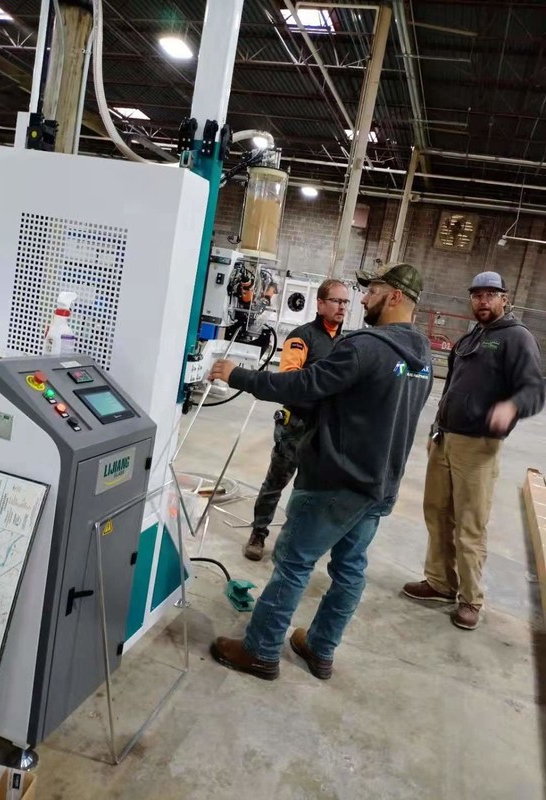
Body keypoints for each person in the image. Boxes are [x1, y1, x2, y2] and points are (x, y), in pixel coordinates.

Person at [208, 263, 432, 681]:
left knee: (293, 564)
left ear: (395, 296)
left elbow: (302, 386)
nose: (362, 300)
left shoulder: (365, 347)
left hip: (335, 482)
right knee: (350, 571)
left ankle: (260, 651)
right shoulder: (423, 360)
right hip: (379, 486)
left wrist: (238, 375)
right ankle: (320, 648)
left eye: (372, 291)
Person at [403, 271, 544, 631]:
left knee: (470, 524)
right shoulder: (471, 337)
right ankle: (440, 582)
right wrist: (437, 425)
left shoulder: (517, 338)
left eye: (490, 295)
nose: (482, 300)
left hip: (479, 446)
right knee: (437, 513)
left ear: (504, 299)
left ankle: (470, 598)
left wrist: (512, 407)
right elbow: (450, 387)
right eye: (477, 295)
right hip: (446, 438)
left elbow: (533, 389)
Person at [244, 278, 349, 561]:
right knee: (276, 482)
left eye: (345, 302)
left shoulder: (347, 343)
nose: (342, 307)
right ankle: (258, 532)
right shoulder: (302, 337)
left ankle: (297, 542)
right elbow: (290, 380)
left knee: (312, 490)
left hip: (326, 429)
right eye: (336, 301)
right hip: (296, 425)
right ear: (320, 304)